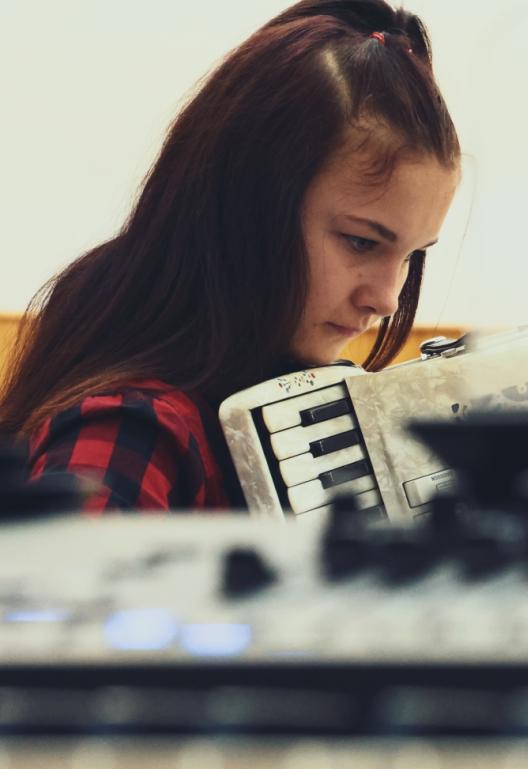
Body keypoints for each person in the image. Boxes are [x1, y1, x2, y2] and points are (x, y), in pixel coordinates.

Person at [0, 0, 461, 511]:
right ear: (245, 209)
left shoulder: (285, 398)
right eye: (361, 241)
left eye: (411, 256)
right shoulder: (133, 429)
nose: (387, 300)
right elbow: (76, 566)